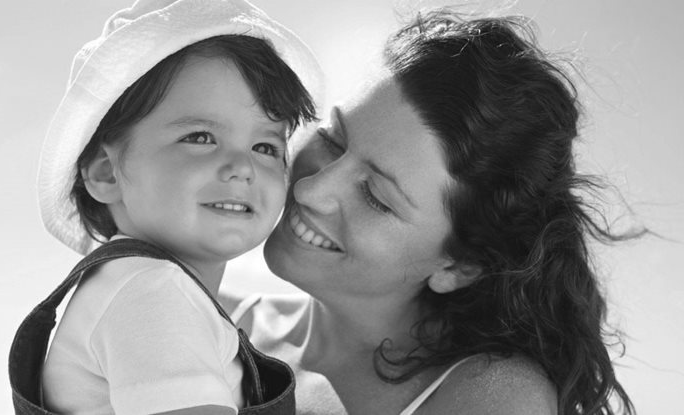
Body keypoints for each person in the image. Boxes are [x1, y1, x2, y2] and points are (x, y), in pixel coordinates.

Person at [225, 10, 641, 415]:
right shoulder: (213, 318)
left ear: (460, 265)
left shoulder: (491, 398)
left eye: (375, 196)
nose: (309, 190)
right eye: (333, 140)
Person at [8, 0, 322, 414]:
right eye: (200, 137)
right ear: (106, 173)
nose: (242, 168)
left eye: (265, 147)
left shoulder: (137, 285)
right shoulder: (152, 291)